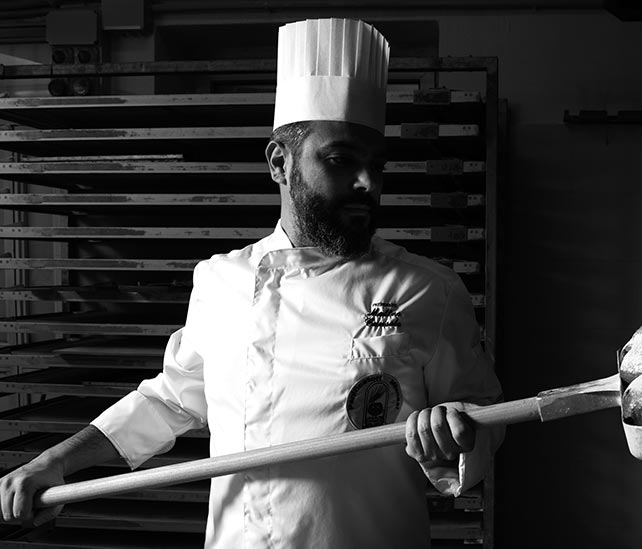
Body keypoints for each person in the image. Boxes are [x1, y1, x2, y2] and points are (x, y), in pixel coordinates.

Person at [0, 18, 503, 549]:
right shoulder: (219, 281)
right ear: (279, 163)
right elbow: (169, 400)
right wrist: (54, 462)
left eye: (377, 165)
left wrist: (456, 437)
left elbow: (485, 420)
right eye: (341, 161)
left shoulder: (428, 291)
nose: (367, 184)